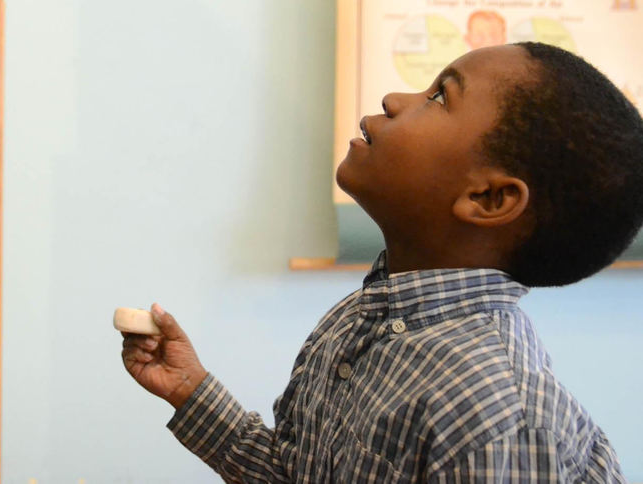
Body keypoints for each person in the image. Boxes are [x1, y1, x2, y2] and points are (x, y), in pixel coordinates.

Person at [120, 42, 643, 482]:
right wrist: (192, 392)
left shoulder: (497, 415)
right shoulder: (361, 316)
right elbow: (296, 472)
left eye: (440, 96)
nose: (395, 98)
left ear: (488, 199)